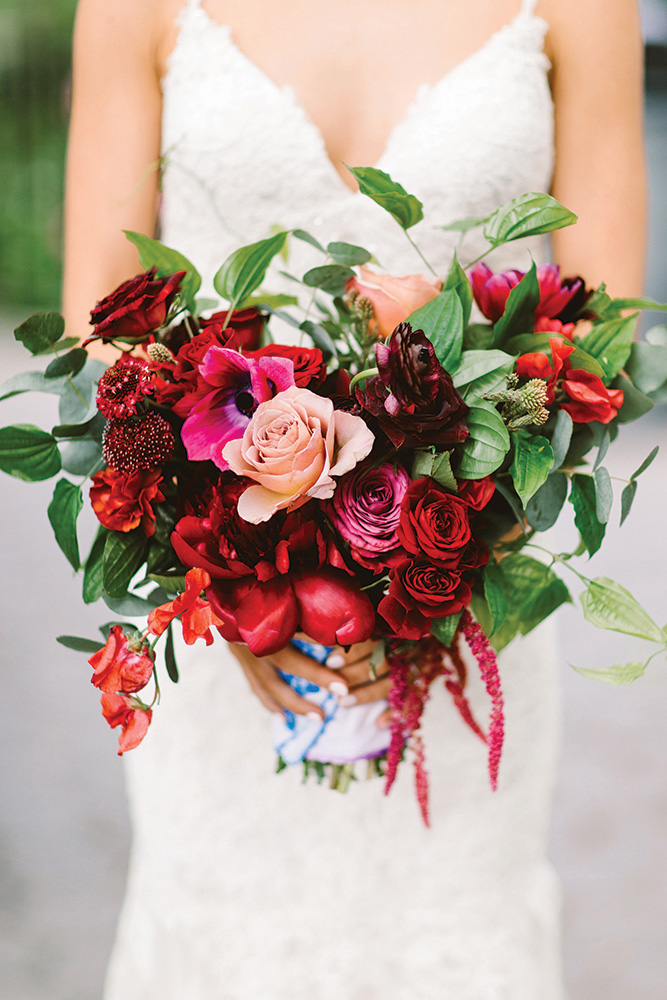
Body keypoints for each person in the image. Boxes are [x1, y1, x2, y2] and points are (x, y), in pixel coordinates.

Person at [63, 1, 646, 997]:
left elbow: (602, 344)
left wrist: (443, 563)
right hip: (220, 623)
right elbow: (103, 323)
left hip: (463, 612)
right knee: (219, 937)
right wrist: (228, 576)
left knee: (454, 939)